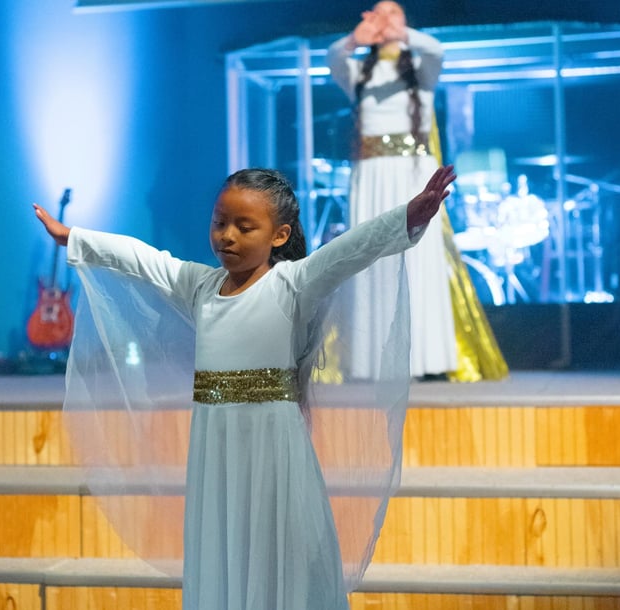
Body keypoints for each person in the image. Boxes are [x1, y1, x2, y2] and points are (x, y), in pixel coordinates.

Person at [33, 164, 455, 610]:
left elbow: (350, 250)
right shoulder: (200, 287)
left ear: (279, 235)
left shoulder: (293, 284)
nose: (227, 236)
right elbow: (143, 259)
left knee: (278, 549)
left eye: (244, 226)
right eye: (219, 223)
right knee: (223, 546)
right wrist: (74, 238)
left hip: (273, 447)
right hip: (216, 449)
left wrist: (406, 217)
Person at [327, 1, 457, 380]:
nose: (385, 20)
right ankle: (372, 361)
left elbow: (437, 50)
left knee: (418, 260)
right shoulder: (358, 73)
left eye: (393, 13)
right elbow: (333, 58)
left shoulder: (421, 70)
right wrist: (353, 40)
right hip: (371, 176)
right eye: (378, 13)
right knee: (370, 257)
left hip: (412, 174)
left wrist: (403, 35)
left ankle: (424, 360)